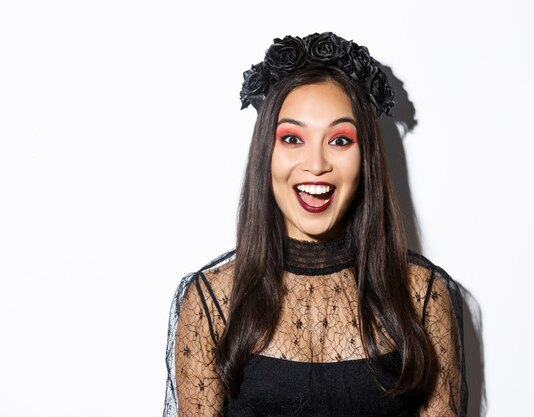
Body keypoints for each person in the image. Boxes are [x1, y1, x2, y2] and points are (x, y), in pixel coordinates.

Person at [163, 32, 467, 417]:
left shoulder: (422, 297)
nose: (317, 164)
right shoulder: (214, 302)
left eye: (339, 141)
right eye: (293, 138)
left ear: (366, 157)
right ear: (266, 154)